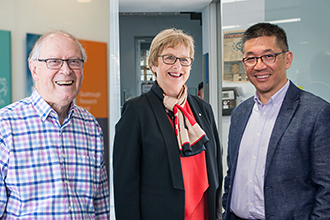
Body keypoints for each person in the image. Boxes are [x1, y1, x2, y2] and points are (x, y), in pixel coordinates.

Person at [222, 22, 330, 220]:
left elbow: (327, 190)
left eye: (268, 56)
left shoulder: (316, 113)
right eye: (251, 58)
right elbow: (232, 175)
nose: (259, 65)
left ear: (287, 59)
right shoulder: (240, 114)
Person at [113, 28, 222, 220]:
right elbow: (125, 184)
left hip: (204, 214)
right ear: (154, 64)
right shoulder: (136, 111)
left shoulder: (203, 109)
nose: (177, 66)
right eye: (169, 58)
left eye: (184, 60)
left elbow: (216, 168)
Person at [0, 31, 110, 219]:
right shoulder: (5, 126)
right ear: (34, 69)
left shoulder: (91, 127)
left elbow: (100, 205)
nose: (66, 70)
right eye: (54, 61)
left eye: (74, 61)